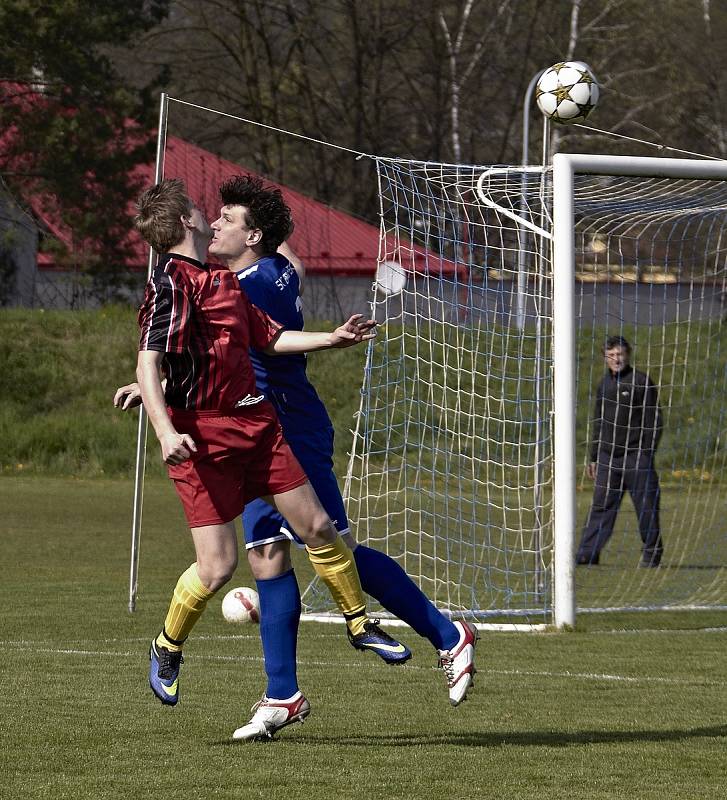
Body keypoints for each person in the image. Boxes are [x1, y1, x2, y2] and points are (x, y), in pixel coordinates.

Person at [117, 174, 479, 740]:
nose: (215, 222)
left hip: (283, 426)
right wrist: (158, 385)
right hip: (245, 422)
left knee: (329, 542)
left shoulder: (245, 281)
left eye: (228, 218)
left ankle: (443, 634)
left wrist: (158, 380)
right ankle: (282, 693)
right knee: (263, 557)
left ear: (253, 237)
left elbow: (235, 331)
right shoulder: (262, 272)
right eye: (211, 214)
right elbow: (217, 324)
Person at [576, 335, 664, 567]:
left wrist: (646, 452)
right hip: (607, 458)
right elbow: (599, 423)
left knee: (646, 506)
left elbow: (654, 420)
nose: (616, 359)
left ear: (628, 355)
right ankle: (588, 553)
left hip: (635, 456)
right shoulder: (604, 385)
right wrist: (594, 457)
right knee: (601, 506)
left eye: (620, 354)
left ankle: (651, 554)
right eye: (612, 355)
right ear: (605, 358)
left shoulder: (641, 382)